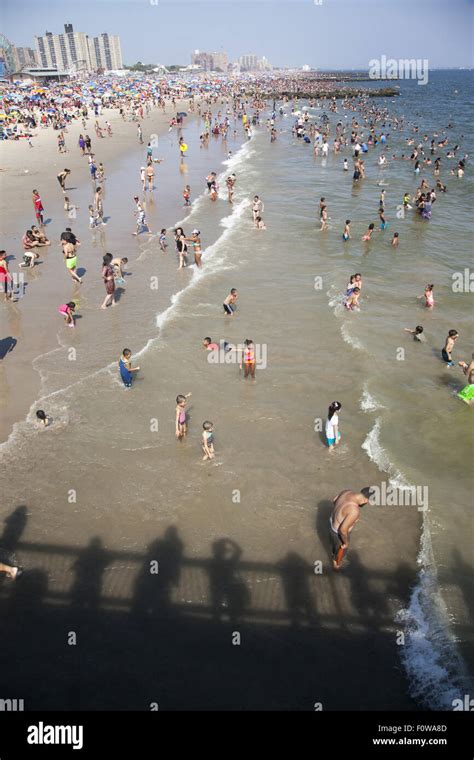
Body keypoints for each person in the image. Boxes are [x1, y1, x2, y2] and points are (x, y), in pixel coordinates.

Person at [329, 489, 371, 570]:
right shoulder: (354, 510)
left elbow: (334, 500)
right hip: (338, 534)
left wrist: (339, 513)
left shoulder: (347, 492)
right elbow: (343, 530)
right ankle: (336, 568)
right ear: (366, 500)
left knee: (334, 547)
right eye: (367, 502)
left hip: (332, 522)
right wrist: (346, 543)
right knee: (339, 555)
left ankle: (334, 554)